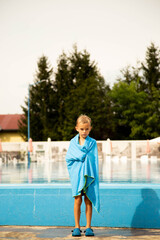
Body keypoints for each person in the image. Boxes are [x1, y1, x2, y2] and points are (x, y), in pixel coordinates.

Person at [66, 114, 100, 237]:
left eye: (86, 129)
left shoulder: (93, 143)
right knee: (77, 199)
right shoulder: (73, 143)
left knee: (88, 200)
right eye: (82, 129)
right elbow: (69, 158)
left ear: (90, 128)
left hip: (88, 175)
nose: (84, 131)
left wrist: (85, 159)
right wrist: (80, 156)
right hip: (77, 174)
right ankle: (76, 226)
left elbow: (93, 159)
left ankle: (89, 227)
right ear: (77, 128)